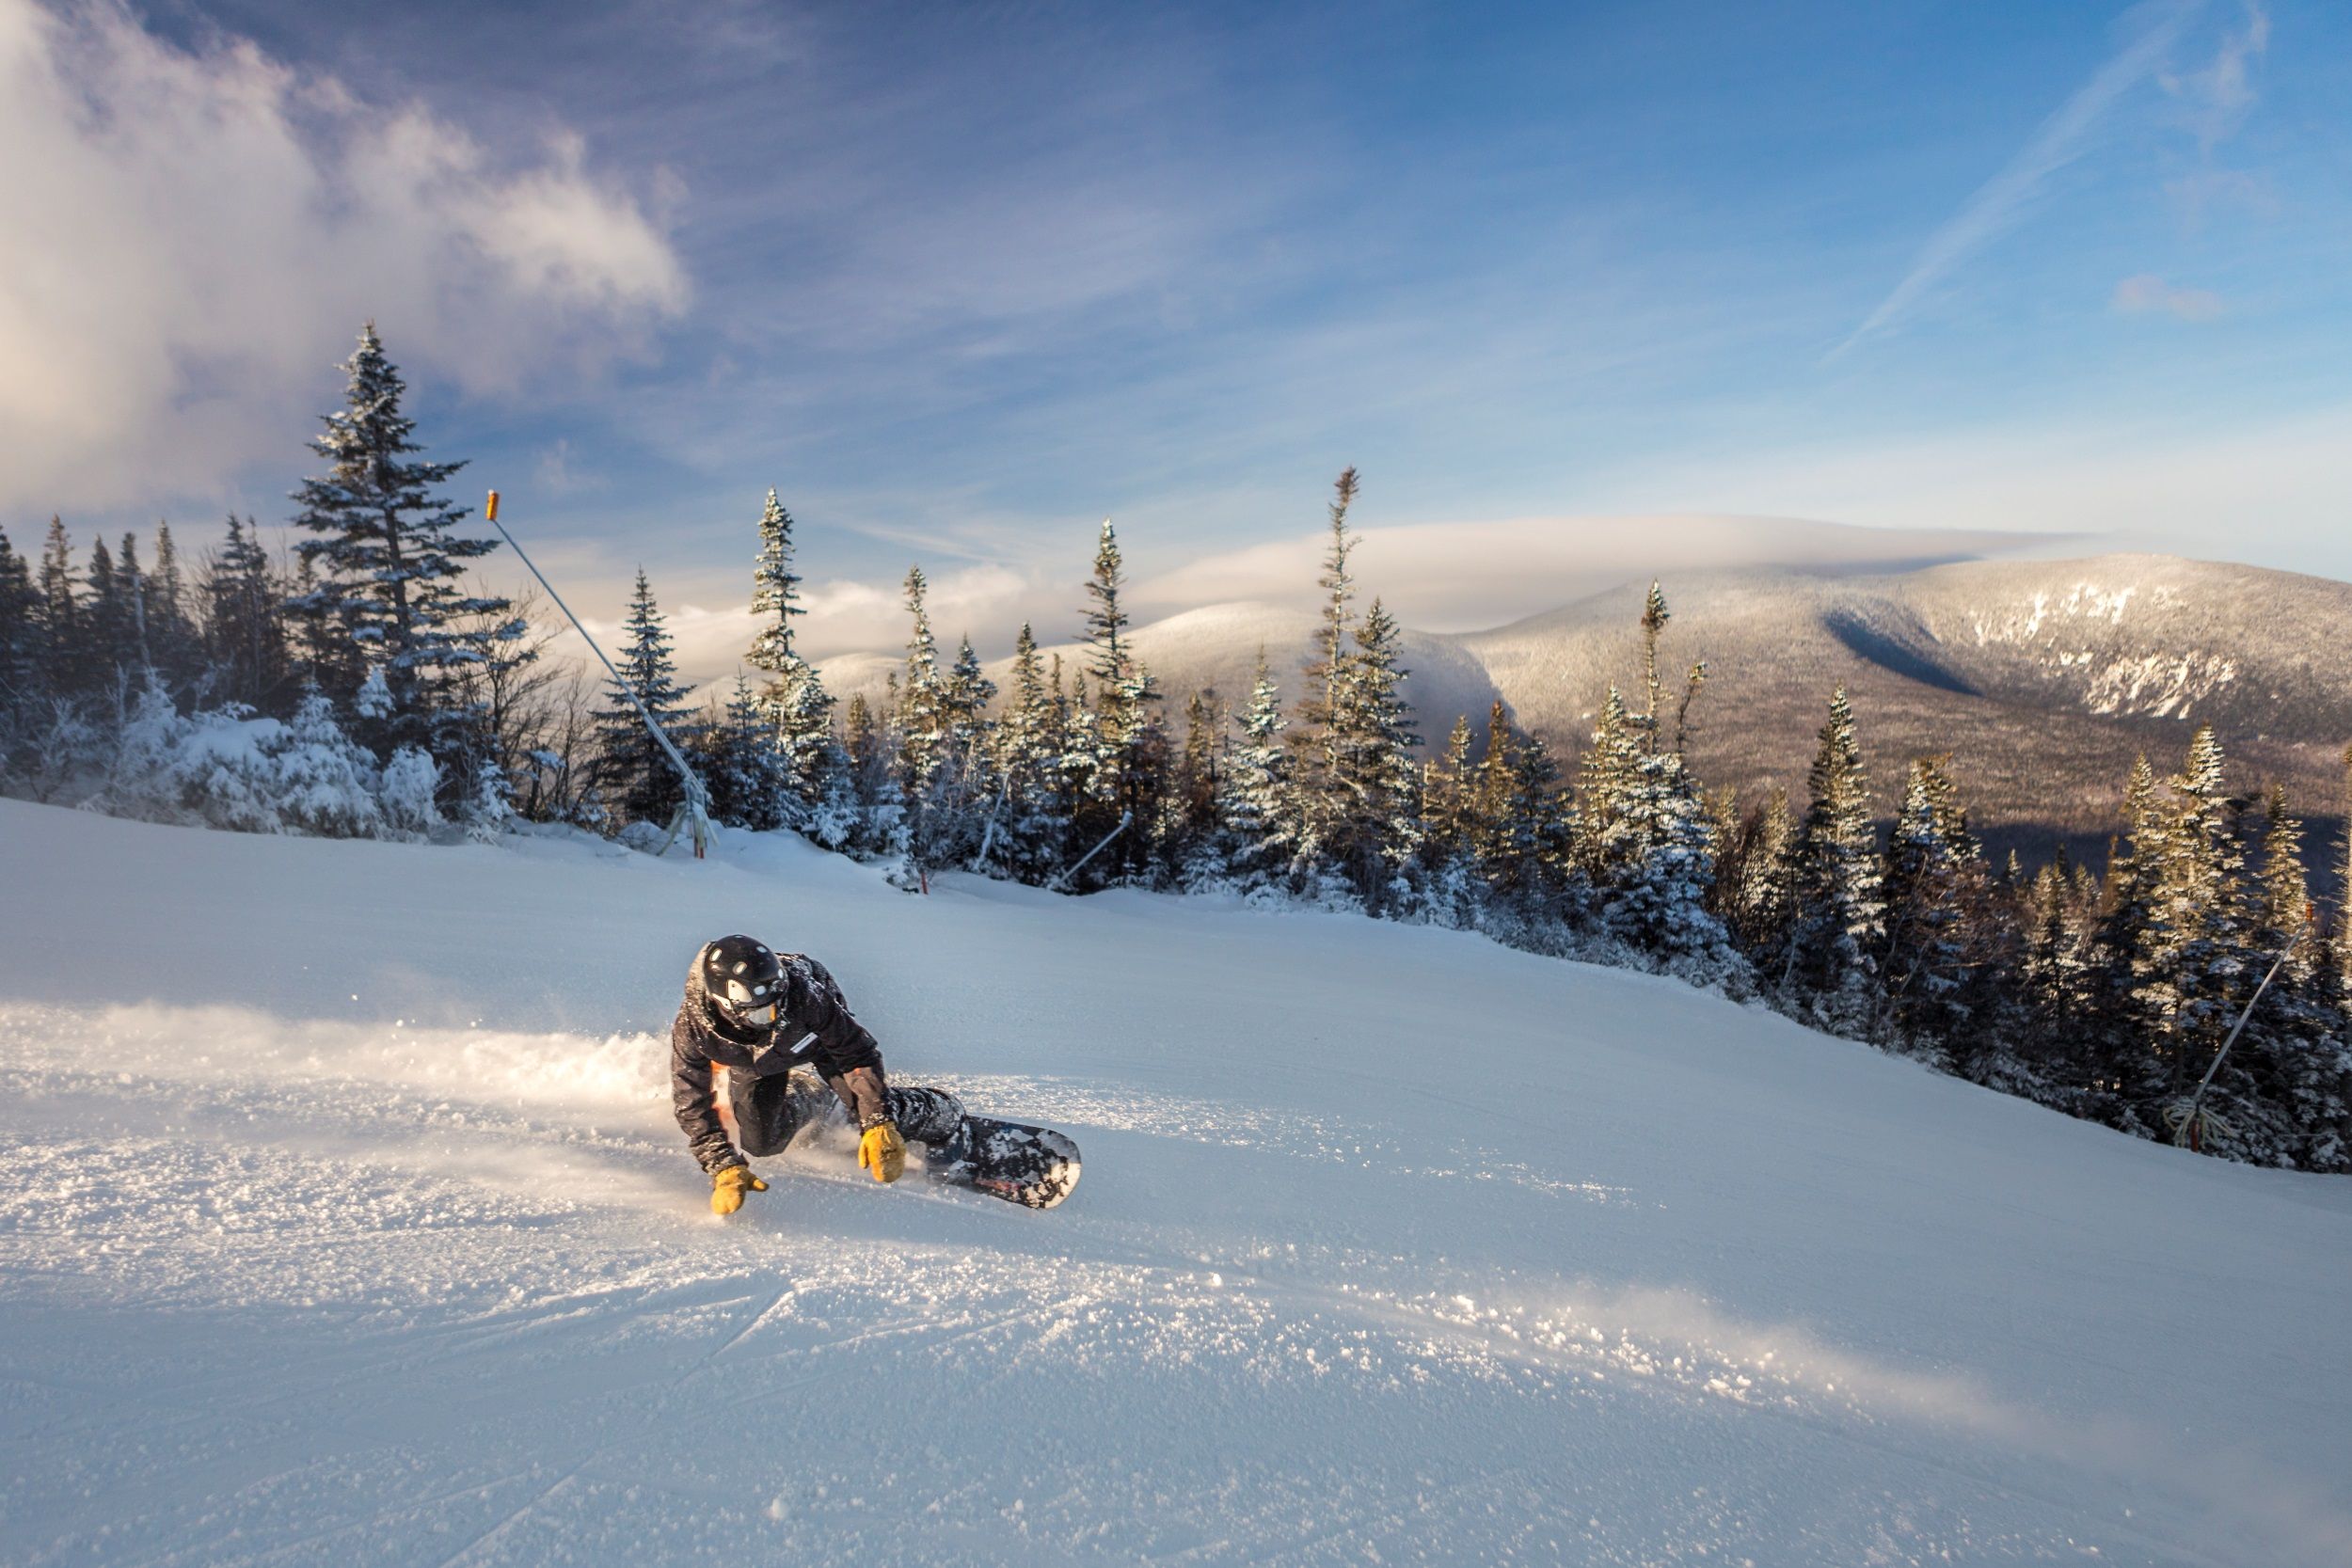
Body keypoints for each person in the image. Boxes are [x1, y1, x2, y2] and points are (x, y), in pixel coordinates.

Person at [672, 935, 962, 1216]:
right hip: (757, 1063)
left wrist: (878, 1120)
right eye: (762, 1014)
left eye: (778, 1004)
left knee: (866, 1105)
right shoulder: (693, 1030)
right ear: (726, 1006)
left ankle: (942, 1114)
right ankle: (808, 1095)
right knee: (761, 1143)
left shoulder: (804, 995)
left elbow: (857, 1053)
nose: (775, 1018)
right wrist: (722, 1164)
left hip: (814, 1038)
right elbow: (691, 1102)